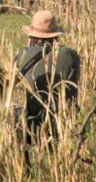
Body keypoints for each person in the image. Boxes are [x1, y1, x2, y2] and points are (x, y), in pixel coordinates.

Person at [14, 10, 80, 144]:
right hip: (65, 125)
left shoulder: (23, 54)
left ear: (31, 36)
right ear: (55, 36)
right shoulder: (71, 55)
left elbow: (6, 86)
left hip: (34, 126)